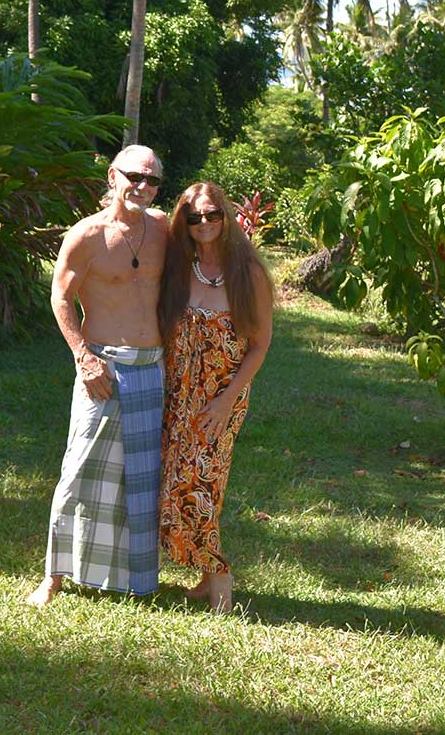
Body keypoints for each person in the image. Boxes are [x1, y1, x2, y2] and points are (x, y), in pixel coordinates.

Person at [26, 144, 169, 607]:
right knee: (78, 471)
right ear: (113, 176)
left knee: (142, 477)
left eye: (152, 180)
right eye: (135, 176)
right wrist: (83, 359)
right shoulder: (87, 235)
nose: (142, 187)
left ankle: (138, 579)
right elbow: (61, 298)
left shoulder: (164, 229)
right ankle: (53, 577)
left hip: (152, 366)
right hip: (102, 366)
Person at [157, 181, 274, 613]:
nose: (203, 223)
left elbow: (260, 343)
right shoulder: (179, 270)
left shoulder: (247, 273)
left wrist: (226, 401)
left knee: (203, 482)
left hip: (221, 399)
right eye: (194, 217)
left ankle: (220, 576)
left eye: (211, 215)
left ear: (225, 217)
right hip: (179, 394)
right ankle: (206, 576)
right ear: (183, 224)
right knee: (174, 481)